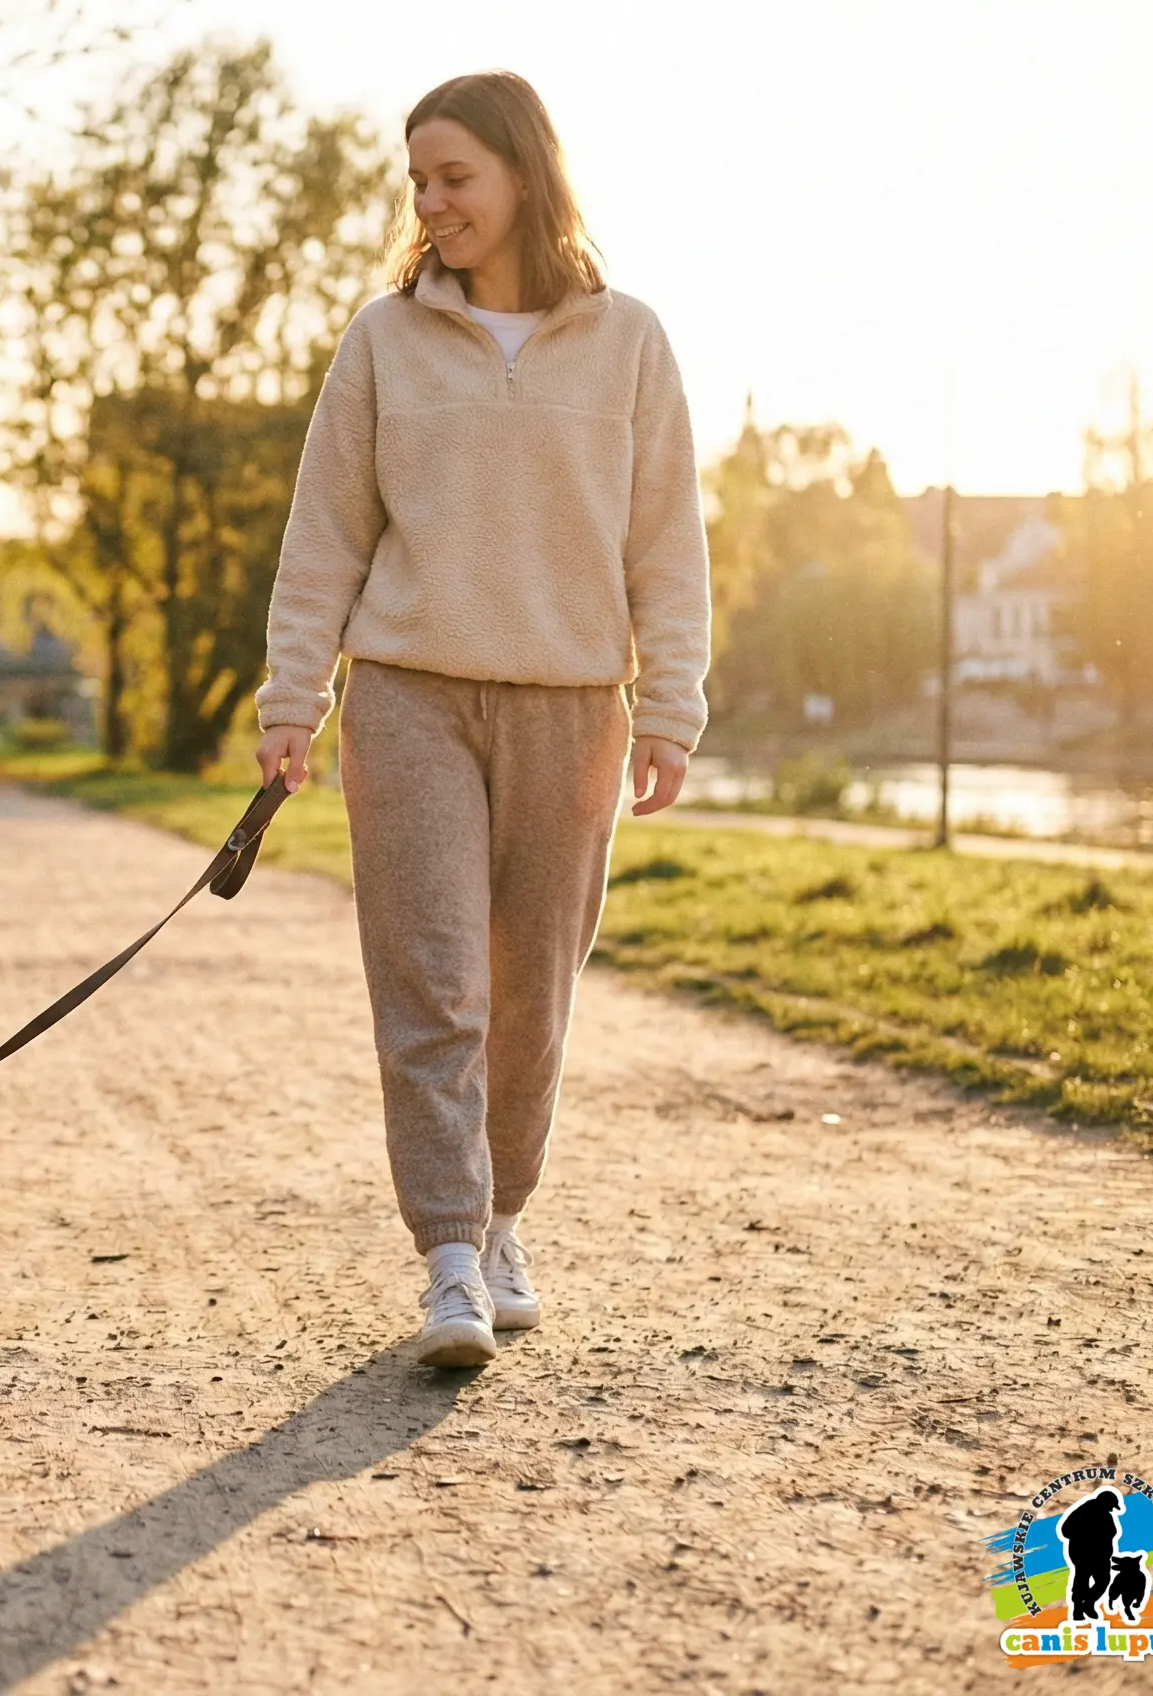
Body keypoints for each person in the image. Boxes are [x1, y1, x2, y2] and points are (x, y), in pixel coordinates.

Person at [253, 71, 710, 1368]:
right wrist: (293, 698)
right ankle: (450, 1258)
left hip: (573, 708)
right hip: (409, 698)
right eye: (419, 182)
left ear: (523, 174)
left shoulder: (630, 342)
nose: (433, 203)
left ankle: (504, 1222)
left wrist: (671, 707)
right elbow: (324, 538)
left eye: (454, 176)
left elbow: (667, 545)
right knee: (434, 981)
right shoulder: (383, 342)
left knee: (531, 996)